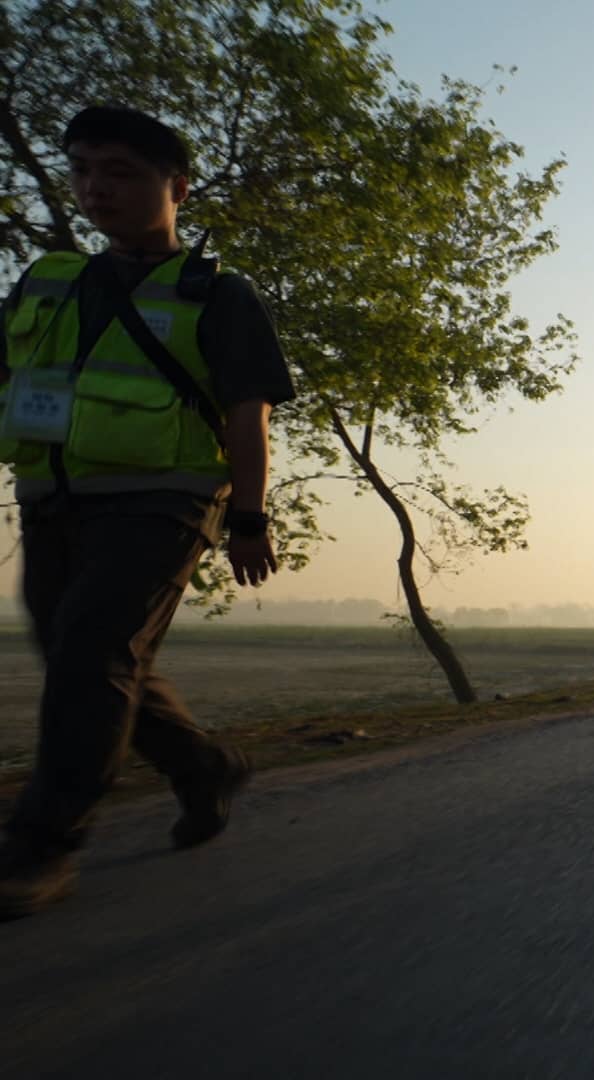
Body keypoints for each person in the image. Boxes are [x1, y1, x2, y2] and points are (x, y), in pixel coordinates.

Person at [0, 107, 297, 919]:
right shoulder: (48, 281)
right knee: (87, 655)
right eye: (85, 171)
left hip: (162, 501)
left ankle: (42, 845)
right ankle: (202, 767)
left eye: (122, 172)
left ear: (178, 187)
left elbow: (247, 413)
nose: (98, 188)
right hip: (51, 500)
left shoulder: (217, 295)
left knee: (91, 652)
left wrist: (248, 517)